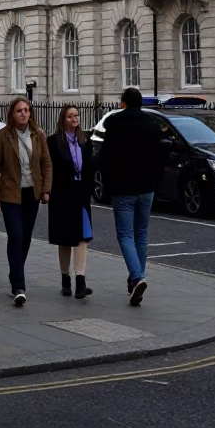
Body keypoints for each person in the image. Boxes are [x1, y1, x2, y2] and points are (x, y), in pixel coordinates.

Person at [97, 86, 164, 306]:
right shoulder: (153, 126)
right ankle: (135, 280)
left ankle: (137, 277)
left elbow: (105, 157)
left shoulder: (114, 123)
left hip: (123, 188)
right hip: (147, 188)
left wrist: (107, 184)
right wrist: (155, 182)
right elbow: (160, 158)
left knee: (125, 235)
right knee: (141, 234)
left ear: (123, 103)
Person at [0, 97, 52, 306]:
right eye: (19, 111)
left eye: (26, 110)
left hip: (31, 193)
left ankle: (15, 273)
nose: (23, 114)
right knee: (16, 236)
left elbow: (46, 163)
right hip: (10, 194)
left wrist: (46, 190)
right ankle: (19, 286)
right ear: (12, 115)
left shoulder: (38, 135)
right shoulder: (2, 137)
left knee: (25, 239)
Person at [47, 104, 94, 299]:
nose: (74, 118)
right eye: (70, 116)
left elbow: (90, 167)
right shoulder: (53, 142)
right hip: (61, 195)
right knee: (65, 240)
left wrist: (89, 189)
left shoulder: (85, 141)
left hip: (80, 194)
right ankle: (65, 279)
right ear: (63, 120)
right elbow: (49, 169)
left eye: (76, 115)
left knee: (82, 238)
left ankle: (80, 282)